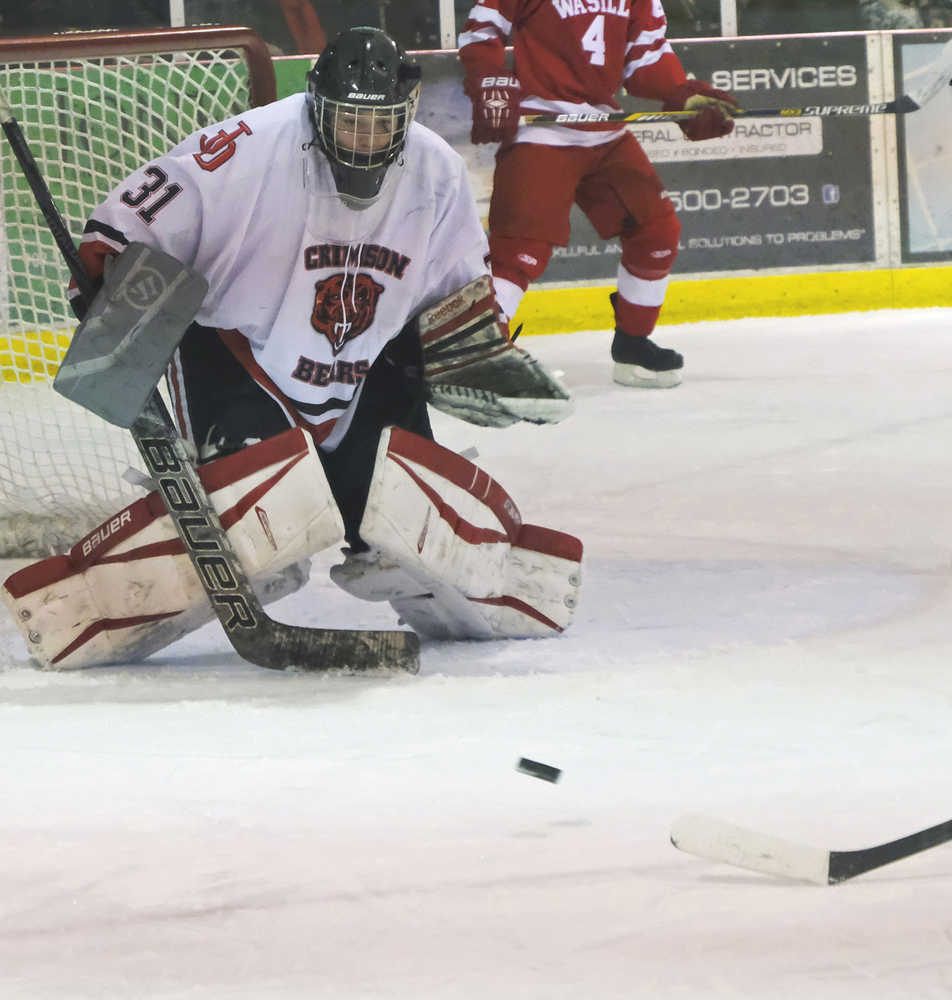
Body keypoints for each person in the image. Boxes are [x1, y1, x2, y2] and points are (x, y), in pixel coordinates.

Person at [14, 25, 582, 669]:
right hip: (238, 351)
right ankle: (75, 607)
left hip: (364, 367)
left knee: (401, 525)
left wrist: (478, 356)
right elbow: (134, 219)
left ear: (407, 112)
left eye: (381, 123)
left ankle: (493, 576)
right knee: (261, 530)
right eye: (349, 121)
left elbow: (455, 295)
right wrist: (105, 266)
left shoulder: (436, 170)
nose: (365, 139)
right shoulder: (247, 149)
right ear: (317, 104)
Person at [458, 0, 738, 388]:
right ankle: (478, 357)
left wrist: (682, 97)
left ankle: (633, 345)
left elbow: (646, 59)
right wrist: (489, 78)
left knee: (656, 232)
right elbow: (481, 29)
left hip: (604, 131)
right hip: (542, 129)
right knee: (520, 249)